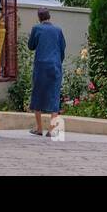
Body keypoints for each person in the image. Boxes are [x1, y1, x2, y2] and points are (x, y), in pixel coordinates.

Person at [27, 8, 66, 136]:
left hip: (40, 66)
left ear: (39, 18)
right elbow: (62, 49)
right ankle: (51, 129)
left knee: (37, 95)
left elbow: (31, 46)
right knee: (54, 96)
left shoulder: (36, 29)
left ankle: (39, 128)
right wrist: (57, 62)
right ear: (49, 16)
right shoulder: (58, 30)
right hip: (54, 66)